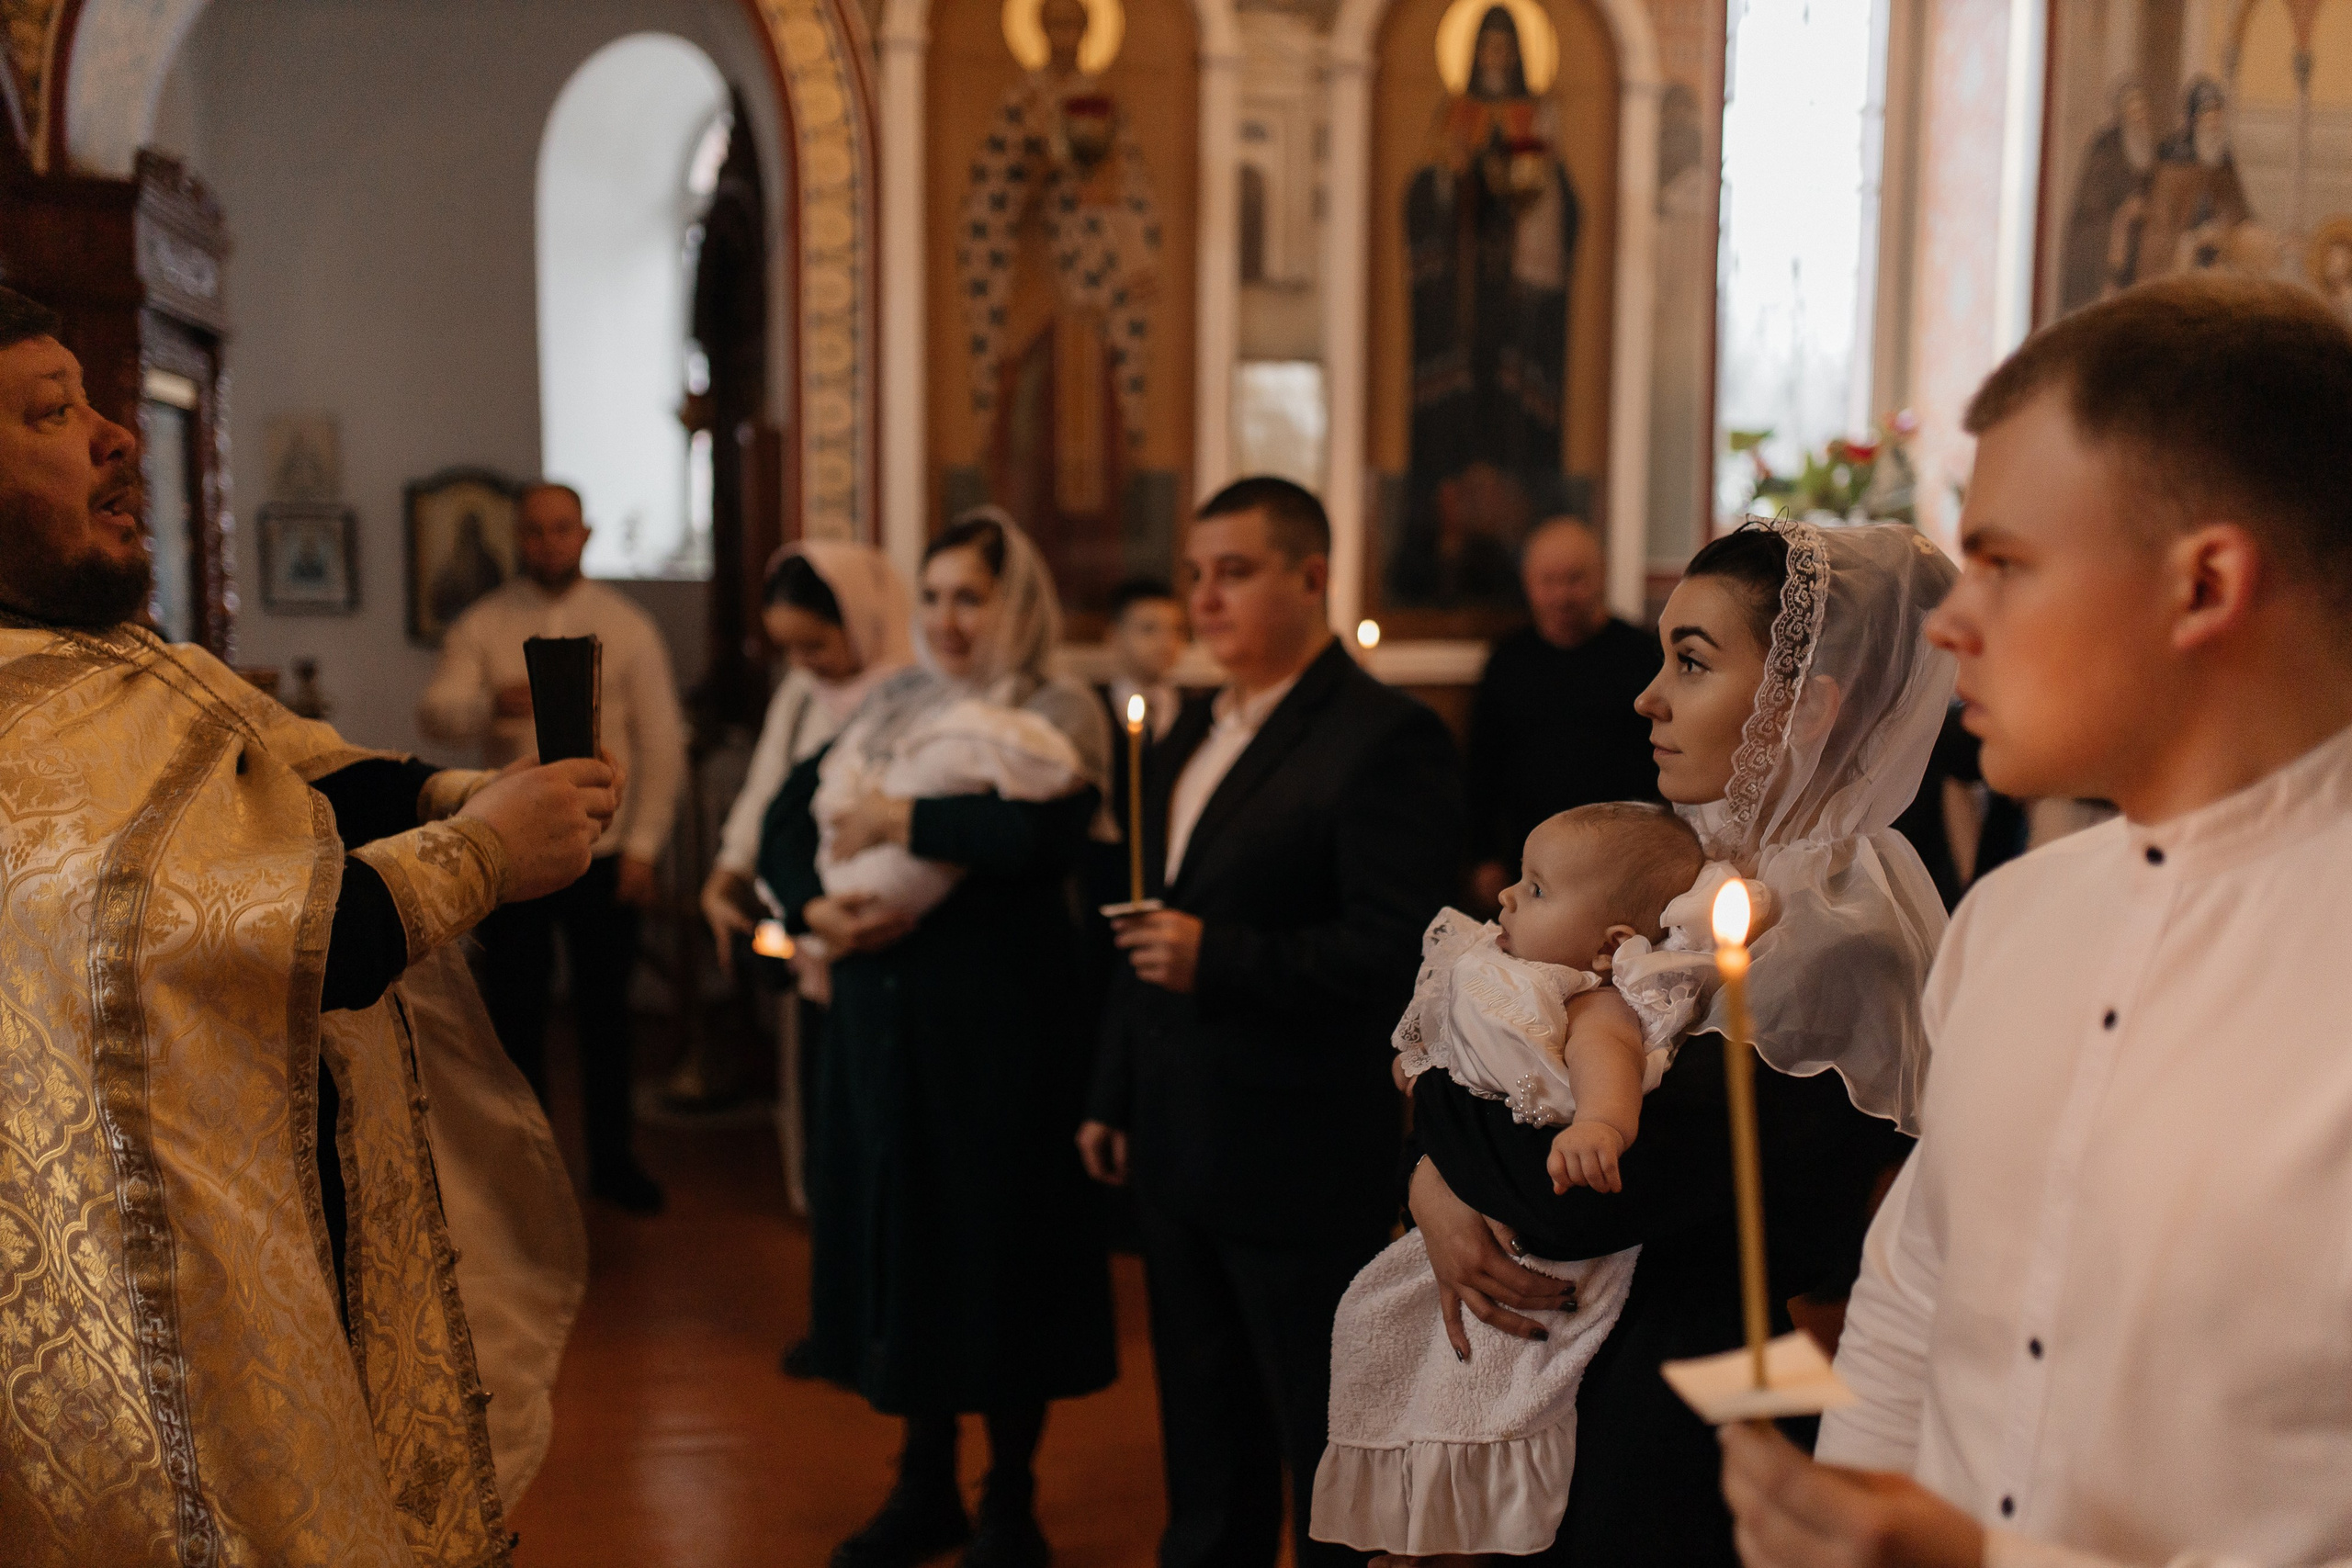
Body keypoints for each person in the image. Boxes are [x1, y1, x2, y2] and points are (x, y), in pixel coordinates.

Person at [1718, 278, 2352, 1568]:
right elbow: (1910, 1311)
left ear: (2206, 582)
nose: (1952, 625)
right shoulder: (2008, 918)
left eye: (2005, 563)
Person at [0, 285, 608, 1562]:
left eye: (99, 401)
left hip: (286, 1222)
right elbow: (204, 937)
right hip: (154, 1301)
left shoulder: (127, 655)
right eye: (53, 413)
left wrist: (455, 795)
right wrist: (485, 851)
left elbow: (301, 774)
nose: (114, 434)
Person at [1408, 517, 1956, 1564]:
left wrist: (1433, 1136)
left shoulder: (1832, 927)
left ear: (1805, 706)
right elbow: (1525, 1036)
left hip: (1717, 1397)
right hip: (1614, 1369)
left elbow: (1584, 1189)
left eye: (1690, 664)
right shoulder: (1685, 868)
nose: (1645, 697)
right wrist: (1433, 1175)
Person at [1079, 476, 1466, 1568]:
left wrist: (1224, 956)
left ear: (1311, 577)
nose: (1205, 598)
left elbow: (1402, 951)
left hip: (1297, 1147)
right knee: (1201, 1430)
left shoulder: (1385, 738)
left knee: (1316, 1434)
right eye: (1196, 574)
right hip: (1176, 1128)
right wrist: (1112, 1090)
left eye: (1234, 573)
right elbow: (1142, 925)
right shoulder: (1190, 728)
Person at [759, 508, 1116, 1568]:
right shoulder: (898, 700)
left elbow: (1032, 834)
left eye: (971, 596)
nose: (947, 619)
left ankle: (1009, 1497)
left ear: (1017, 604)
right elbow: (786, 819)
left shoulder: (1059, 705)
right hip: (881, 1025)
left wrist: (899, 825)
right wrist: (808, 909)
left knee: (996, 1252)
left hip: (1001, 1028)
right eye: (932, 596)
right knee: (907, 1244)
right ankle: (922, 1486)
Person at [1313, 804, 1716, 1562]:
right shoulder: (1492, 968)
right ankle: (1420, 1502)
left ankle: (1461, 1519)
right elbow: (1440, 1049)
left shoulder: (1592, 996)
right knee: (1376, 1323)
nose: (1505, 897)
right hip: (1464, 1198)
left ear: (1611, 945)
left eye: (1534, 889)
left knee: (1484, 1361)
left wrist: (1599, 1124)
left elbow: (1608, 1061)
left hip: (1539, 1231)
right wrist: (1425, 1072)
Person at [417, 480, 687, 1214]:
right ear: (518, 538)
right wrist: (487, 703)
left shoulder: (627, 626)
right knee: (516, 1017)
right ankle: (526, 1175)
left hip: (606, 849)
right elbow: (436, 711)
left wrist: (644, 848)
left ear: (586, 533)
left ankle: (614, 1162)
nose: (548, 542)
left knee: (607, 1016)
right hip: (513, 846)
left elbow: (663, 745)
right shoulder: (482, 624)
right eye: (534, 531)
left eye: (561, 528)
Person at [1466, 515, 1663, 906]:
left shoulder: (1643, 658)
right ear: (1528, 582)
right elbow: (1480, 770)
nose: (1561, 595)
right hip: (1525, 864)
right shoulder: (1506, 663)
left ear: (1600, 576)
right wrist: (1482, 858)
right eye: (1548, 581)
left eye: (1574, 579)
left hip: (1624, 861)